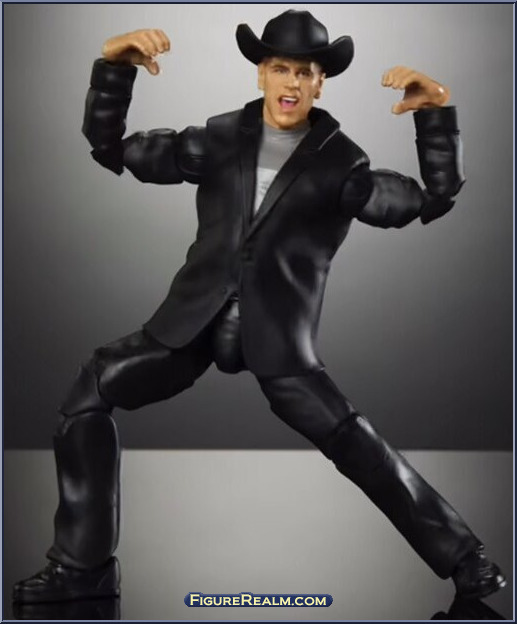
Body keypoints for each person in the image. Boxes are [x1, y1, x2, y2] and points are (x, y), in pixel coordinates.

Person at [13, 10, 505, 605]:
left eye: (304, 72)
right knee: (89, 393)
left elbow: (427, 200)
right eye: (279, 68)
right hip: (190, 327)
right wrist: (114, 70)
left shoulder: (341, 163)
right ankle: (82, 569)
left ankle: (466, 560)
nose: (290, 83)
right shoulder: (219, 138)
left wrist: (435, 112)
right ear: (260, 74)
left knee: (359, 447)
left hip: (279, 341)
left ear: (321, 82)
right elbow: (113, 148)